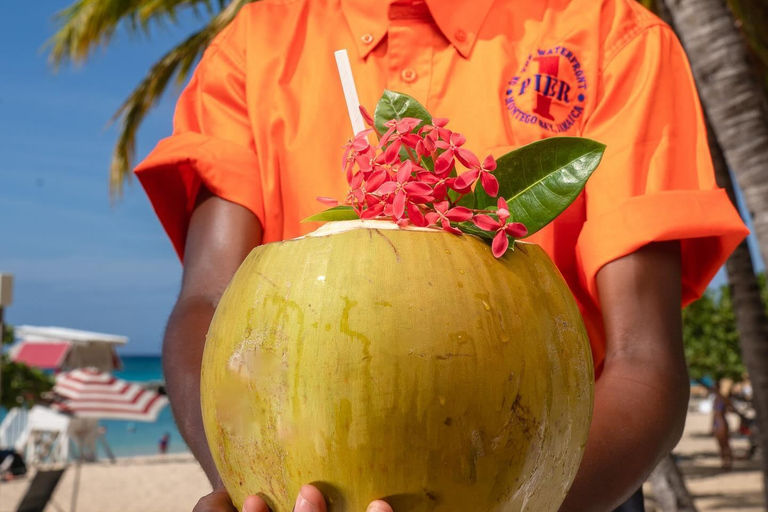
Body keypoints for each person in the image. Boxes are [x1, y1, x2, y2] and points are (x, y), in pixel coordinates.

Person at [134, 0, 749, 510]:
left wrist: (526, 501)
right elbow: (208, 304)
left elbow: (645, 359)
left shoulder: (614, 36)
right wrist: (243, 481)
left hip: (576, 488)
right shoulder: (252, 49)